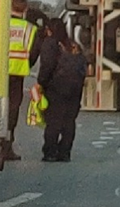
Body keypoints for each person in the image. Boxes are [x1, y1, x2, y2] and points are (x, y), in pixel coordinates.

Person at [37, 17, 87, 162]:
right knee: (69, 121)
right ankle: (65, 152)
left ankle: (50, 152)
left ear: (50, 30)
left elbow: (47, 65)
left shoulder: (51, 43)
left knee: (54, 120)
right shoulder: (73, 44)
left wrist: (41, 82)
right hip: (75, 87)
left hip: (57, 86)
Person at [4, 0, 39, 161]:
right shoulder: (30, 29)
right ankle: (7, 146)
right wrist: (26, 64)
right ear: (25, 10)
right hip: (17, 73)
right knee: (12, 109)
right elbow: (34, 52)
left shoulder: (1, 24)